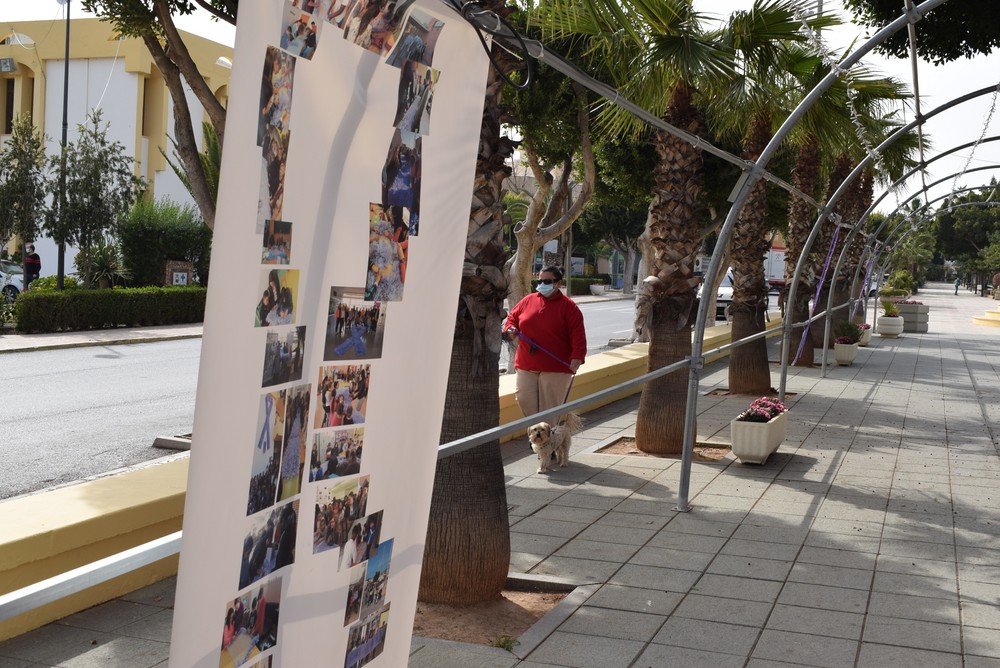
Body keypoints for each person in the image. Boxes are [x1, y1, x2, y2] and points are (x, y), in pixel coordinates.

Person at [503, 266, 586, 419]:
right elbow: (512, 318)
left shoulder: (569, 307)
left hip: (555, 366)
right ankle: (538, 436)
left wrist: (577, 356)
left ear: (558, 283)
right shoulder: (528, 300)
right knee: (523, 398)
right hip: (526, 363)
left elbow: (578, 334)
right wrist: (510, 328)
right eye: (539, 280)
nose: (542, 284)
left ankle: (547, 440)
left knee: (549, 410)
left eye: (547, 281)